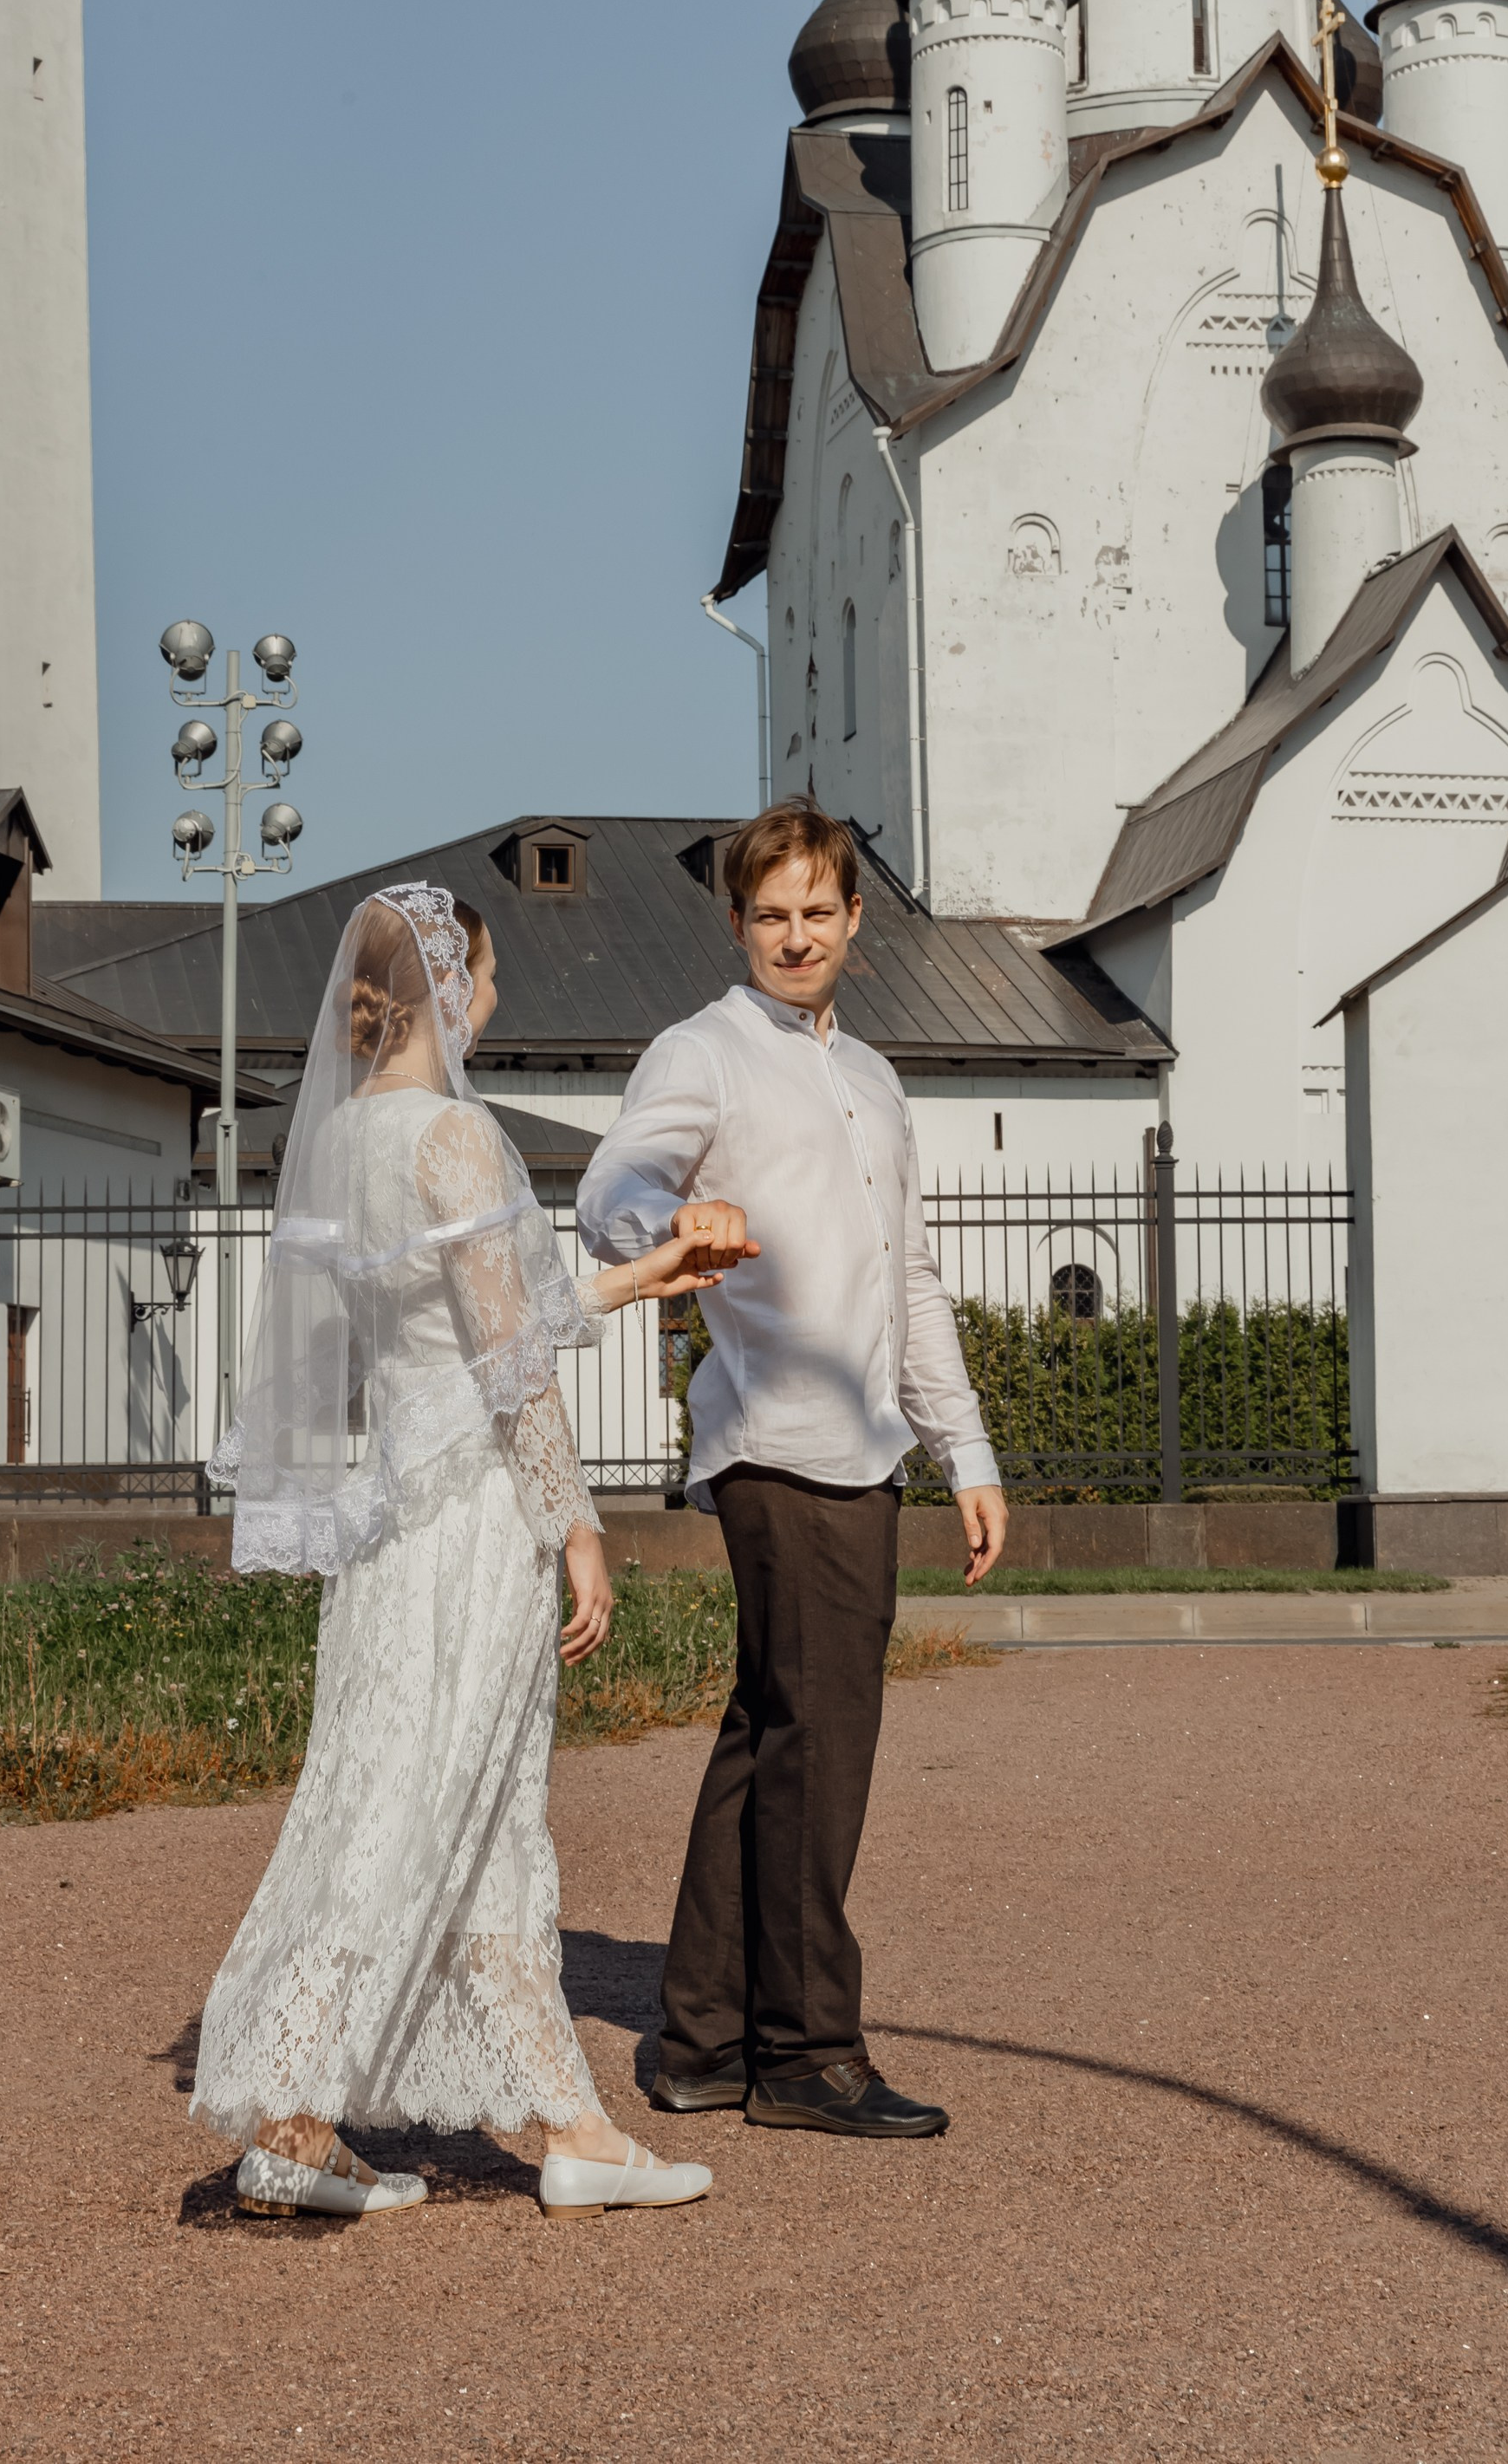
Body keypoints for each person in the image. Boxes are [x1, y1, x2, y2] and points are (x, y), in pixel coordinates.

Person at [192, 882, 737, 2220]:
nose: (494, 1000)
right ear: (448, 983)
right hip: (479, 1517)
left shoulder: (343, 1144)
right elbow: (504, 1363)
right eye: (484, 978)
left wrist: (631, 1275)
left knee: (424, 1796)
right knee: (446, 1803)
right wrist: (579, 1524)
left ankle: (548, 2121)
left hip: (389, 1527)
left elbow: (459, 1328)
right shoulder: (457, 1138)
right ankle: (305, 2114)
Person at [577, 804, 1007, 2138]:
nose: (795, 935)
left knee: (772, 1732)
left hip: (864, 1442)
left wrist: (965, 1446)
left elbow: (909, 1277)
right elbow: (612, 1187)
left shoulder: (871, 1078)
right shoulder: (700, 1053)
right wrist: (673, 1220)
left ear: (854, 921)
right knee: (823, 1746)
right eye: (770, 915)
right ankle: (809, 2053)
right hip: (779, 1442)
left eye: (817, 912)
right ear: (737, 924)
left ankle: (703, 2040)